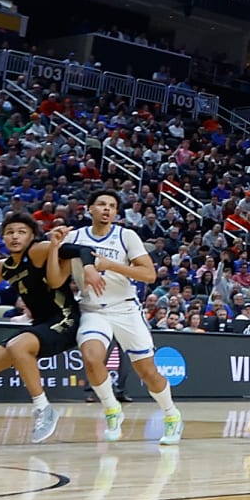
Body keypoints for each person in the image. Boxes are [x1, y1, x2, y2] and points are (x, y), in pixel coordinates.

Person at [72, 190, 183, 446]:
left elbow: (149, 275)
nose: (106, 209)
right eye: (100, 204)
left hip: (125, 309)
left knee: (147, 371)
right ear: (89, 209)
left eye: (111, 205)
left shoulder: (126, 236)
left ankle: (171, 413)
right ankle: (112, 409)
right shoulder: (74, 236)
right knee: (91, 357)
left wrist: (109, 265)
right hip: (92, 309)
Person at [0, 217, 78, 441]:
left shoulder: (39, 250)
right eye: (9, 232)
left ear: (32, 236)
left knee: (18, 345)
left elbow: (71, 249)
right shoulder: (1, 267)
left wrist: (62, 237)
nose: (15, 236)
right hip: (41, 325)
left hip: (66, 318)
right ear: (2, 237)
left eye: (21, 231)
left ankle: (44, 408)